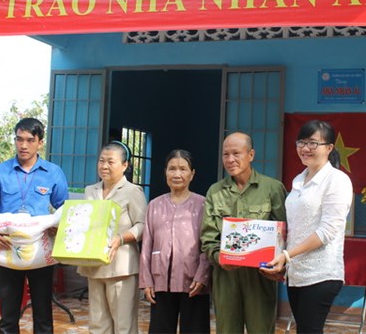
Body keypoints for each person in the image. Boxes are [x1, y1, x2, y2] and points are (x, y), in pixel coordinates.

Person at [0, 117, 68, 334]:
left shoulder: (53, 172)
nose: (23, 145)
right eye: (19, 139)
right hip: (7, 248)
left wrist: (58, 226)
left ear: (40, 142)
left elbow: (65, 208)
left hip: (40, 250)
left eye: (29, 140)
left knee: (43, 313)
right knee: (8, 314)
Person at [261, 120, 353, 334]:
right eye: (301, 142)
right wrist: (281, 258)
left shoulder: (337, 180)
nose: (305, 148)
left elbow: (327, 231)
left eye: (313, 143)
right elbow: (294, 227)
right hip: (296, 274)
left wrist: (286, 255)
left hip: (321, 273)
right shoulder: (298, 180)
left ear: (329, 148)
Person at [200, 131, 287, 334]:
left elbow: (284, 234)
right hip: (226, 276)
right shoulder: (215, 191)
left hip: (261, 276)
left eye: (236, 153)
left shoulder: (272, 188)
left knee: (261, 329)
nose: (230, 159)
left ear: (251, 155)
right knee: (226, 329)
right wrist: (219, 258)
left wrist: (279, 266)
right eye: (225, 154)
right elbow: (208, 237)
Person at [77, 141, 147, 334]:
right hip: (94, 264)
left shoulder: (133, 191)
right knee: (98, 324)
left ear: (125, 165)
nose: (104, 166)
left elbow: (142, 225)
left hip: (121, 267)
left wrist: (121, 238)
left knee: (124, 325)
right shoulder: (90, 190)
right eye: (101, 161)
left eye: (110, 161)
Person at [139, 149, 211, 334]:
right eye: (172, 169)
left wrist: (202, 276)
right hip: (160, 282)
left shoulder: (203, 204)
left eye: (183, 169)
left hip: (194, 283)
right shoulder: (154, 205)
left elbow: (208, 244)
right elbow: (146, 246)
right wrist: (147, 280)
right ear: (165, 172)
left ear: (192, 174)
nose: (177, 174)